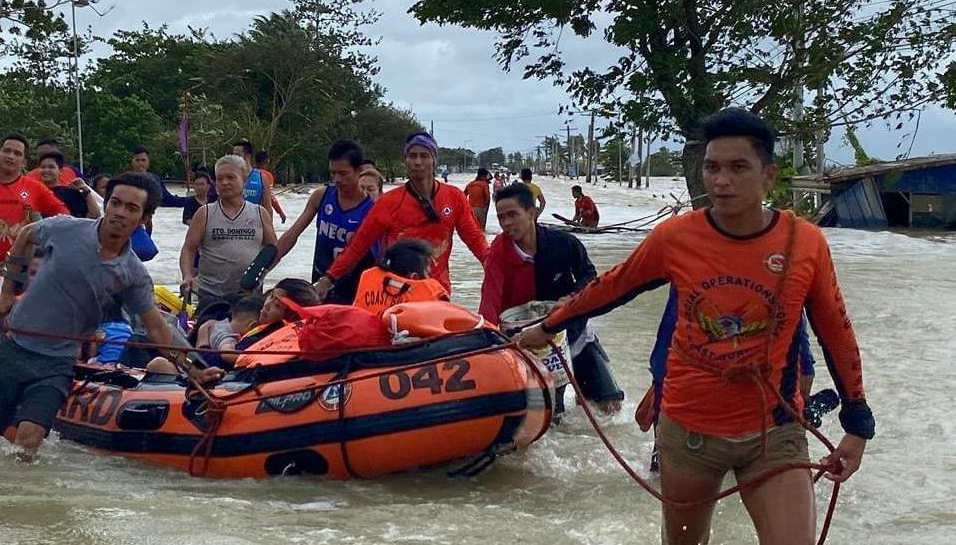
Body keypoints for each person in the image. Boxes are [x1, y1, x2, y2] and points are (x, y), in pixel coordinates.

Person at [516, 108, 872, 545]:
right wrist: (548, 324)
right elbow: (612, 287)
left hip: (775, 430)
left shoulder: (806, 243)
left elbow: (835, 329)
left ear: (769, 175)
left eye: (738, 167)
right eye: (712, 167)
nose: (721, 180)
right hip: (689, 431)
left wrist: (858, 422)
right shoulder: (677, 237)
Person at [0, 172, 222, 458]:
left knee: (29, 439)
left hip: (57, 363)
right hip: (13, 348)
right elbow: (25, 235)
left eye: (132, 208)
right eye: (115, 203)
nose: (120, 213)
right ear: (106, 204)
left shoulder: (132, 274)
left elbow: (158, 327)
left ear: (145, 218)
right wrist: (9, 291)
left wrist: (193, 366)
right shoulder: (66, 229)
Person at [480, 183, 624, 414]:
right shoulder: (498, 253)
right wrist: (486, 339)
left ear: (532, 213)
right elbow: (490, 299)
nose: (506, 223)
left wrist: (573, 296)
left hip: (572, 330)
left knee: (610, 406)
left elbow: (589, 275)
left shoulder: (563, 243)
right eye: (501, 217)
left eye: (512, 215)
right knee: (550, 416)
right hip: (527, 339)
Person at [315, 132, 489, 299]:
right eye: (412, 156)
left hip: (437, 292)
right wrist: (328, 279)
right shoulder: (389, 202)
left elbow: (474, 238)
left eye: (424, 156)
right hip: (395, 292)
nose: (418, 162)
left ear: (434, 161)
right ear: (405, 160)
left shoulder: (453, 197)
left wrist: (491, 264)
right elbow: (358, 245)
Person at [0, 134, 69, 288]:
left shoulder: (35, 188)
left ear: (24, 161)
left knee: (23, 312)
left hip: (23, 266)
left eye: (17, 153)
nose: (11, 156)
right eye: (7, 151)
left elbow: (63, 214)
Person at [275, 140, 375, 304]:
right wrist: (265, 266)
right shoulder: (321, 196)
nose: (337, 179)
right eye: (333, 173)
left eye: (343, 173)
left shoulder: (372, 210)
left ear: (360, 171)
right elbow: (292, 234)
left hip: (355, 290)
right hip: (319, 285)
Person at [179, 154, 278, 314]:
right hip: (210, 296)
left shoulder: (260, 213)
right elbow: (188, 249)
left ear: (244, 180)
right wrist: (187, 275)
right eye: (219, 179)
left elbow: (272, 250)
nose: (225, 183)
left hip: (249, 297)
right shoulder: (205, 213)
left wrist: (257, 276)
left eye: (231, 177)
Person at [352, 239, 448, 314]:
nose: (429, 277)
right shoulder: (432, 292)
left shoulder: (368, 276)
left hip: (366, 335)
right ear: (414, 277)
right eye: (428, 272)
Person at [129, 146, 192, 232]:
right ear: (132, 162)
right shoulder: (125, 180)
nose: (140, 163)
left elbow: (167, 200)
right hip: (128, 222)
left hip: (146, 224)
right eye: (137, 160)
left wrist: (191, 200)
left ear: (148, 162)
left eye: (143, 160)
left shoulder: (154, 180)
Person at [36, 154, 100, 218]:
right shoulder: (34, 194)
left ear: (60, 171)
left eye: (51, 167)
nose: (46, 170)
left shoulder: (70, 193)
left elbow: (94, 215)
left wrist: (85, 190)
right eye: (43, 167)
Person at [231, 139, 280, 221]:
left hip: (254, 226)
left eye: (237, 155)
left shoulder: (261, 178)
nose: (234, 158)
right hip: (233, 227)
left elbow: (268, 209)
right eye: (233, 155)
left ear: (248, 155)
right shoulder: (229, 177)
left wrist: (269, 231)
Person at [252, 148, 288, 222]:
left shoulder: (245, 173)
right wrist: (280, 212)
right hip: (261, 214)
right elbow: (270, 197)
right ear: (266, 161)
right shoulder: (266, 175)